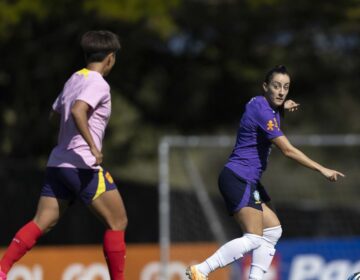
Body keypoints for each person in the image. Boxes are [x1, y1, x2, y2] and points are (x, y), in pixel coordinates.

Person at [186, 65, 345, 280]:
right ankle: (200, 270)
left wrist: (281, 108)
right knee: (253, 237)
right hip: (238, 178)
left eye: (286, 87)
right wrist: (321, 169)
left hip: (248, 180)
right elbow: (288, 150)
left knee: (272, 231)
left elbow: (267, 110)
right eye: (276, 86)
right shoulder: (262, 111)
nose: (281, 91)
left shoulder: (258, 103)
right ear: (265, 86)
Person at [0, 30, 127, 280]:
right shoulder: (98, 83)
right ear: (110, 58)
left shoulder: (74, 79)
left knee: (41, 221)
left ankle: (2, 270)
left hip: (58, 164)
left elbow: (54, 114)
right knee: (118, 221)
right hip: (83, 167)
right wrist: (92, 146)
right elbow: (79, 111)